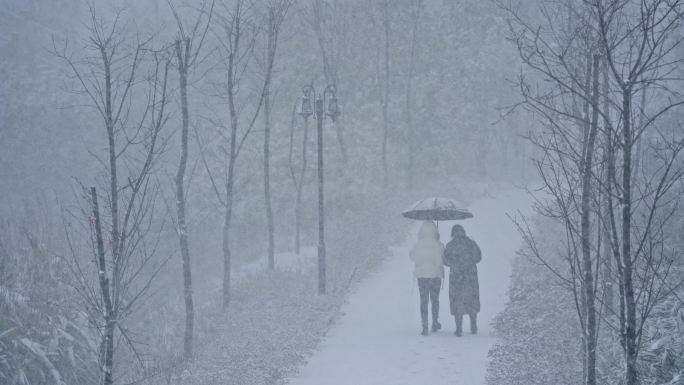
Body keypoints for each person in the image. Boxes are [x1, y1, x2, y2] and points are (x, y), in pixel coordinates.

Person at [443, 224, 481, 336]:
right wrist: (469, 262)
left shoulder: (450, 246)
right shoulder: (471, 243)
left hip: (456, 278)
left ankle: (459, 329)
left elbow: (445, 261)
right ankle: (473, 327)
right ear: (463, 232)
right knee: (472, 300)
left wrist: (455, 264)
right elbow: (479, 257)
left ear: (452, 233)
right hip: (471, 277)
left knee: (457, 301)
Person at [409, 221, 445, 336]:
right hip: (435, 276)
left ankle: (424, 326)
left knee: (423, 301)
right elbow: (442, 260)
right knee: (435, 300)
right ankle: (434, 323)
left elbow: (412, 257)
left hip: (422, 275)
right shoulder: (439, 244)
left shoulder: (418, 244)